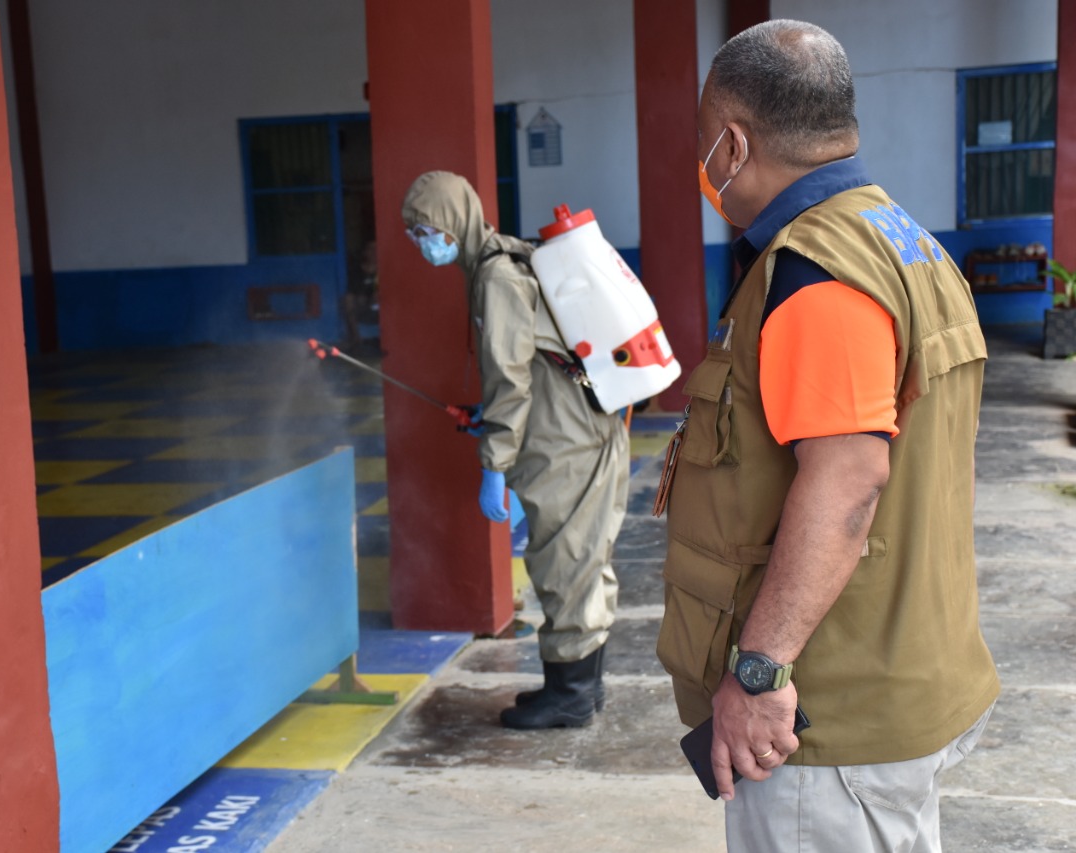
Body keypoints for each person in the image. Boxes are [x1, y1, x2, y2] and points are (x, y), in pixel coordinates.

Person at [655, 19, 998, 851]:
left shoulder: (816, 274)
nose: (704, 167)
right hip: (893, 671)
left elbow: (847, 486)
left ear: (733, 144)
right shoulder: (904, 240)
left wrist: (759, 672)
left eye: (705, 145)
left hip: (826, 719)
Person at [402, 171, 630, 730]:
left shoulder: (497, 277)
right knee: (581, 561)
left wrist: (494, 464)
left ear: (456, 220)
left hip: (564, 441)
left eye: (428, 230)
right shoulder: (504, 262)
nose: (423, 243)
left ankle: (571, 696)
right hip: (576, 428)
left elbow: (509, 378)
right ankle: (580, 687)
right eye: (415, 234)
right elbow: (528, 365)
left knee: (565, 563)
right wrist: (495, 421)